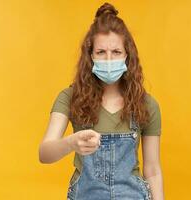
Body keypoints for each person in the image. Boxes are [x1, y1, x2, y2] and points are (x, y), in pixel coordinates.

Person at [39, 2, 164, 200]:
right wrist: (71, 143)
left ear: (127, 56)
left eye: (116, 52)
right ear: (90, 56)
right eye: (100, 52)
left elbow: (153, 170)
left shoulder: (147, 104)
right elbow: (45, 153)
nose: (108, 59)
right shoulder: (70, 98)